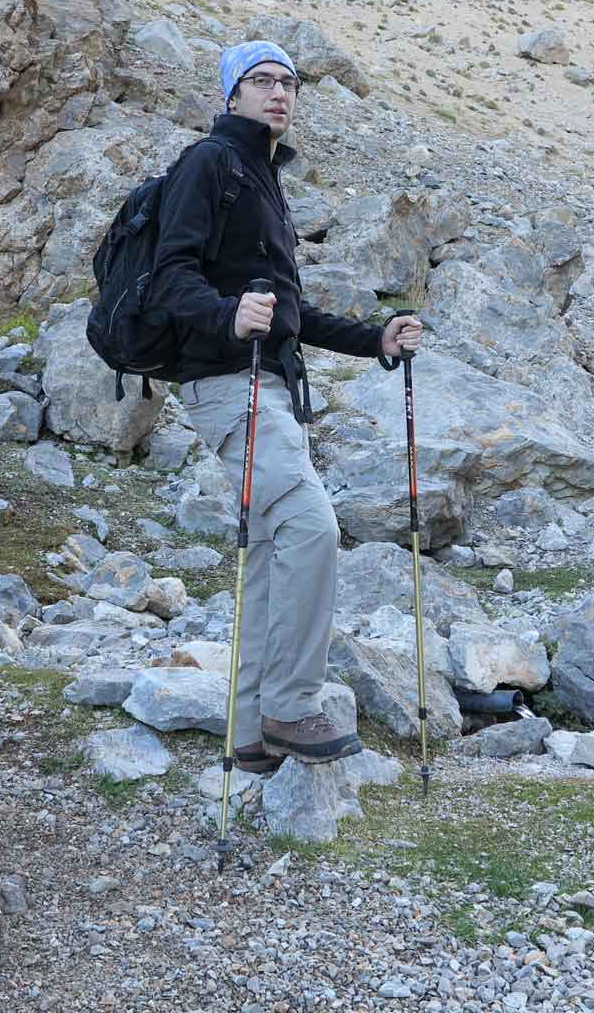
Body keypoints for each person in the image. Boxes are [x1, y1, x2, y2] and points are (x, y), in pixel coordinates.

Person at [153, 40, 422, 771]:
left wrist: (375, 340)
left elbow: (289, 314)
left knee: (274, 553)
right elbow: (169, 277)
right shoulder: (209, 163)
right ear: (231, 94)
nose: (280, 92)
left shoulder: (264, 176)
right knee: (310, 525)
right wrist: (227, 315)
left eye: (290, 83)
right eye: (262, 80)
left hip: (269, 387)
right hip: (228, 384)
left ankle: (249, 733)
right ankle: (291, 707)